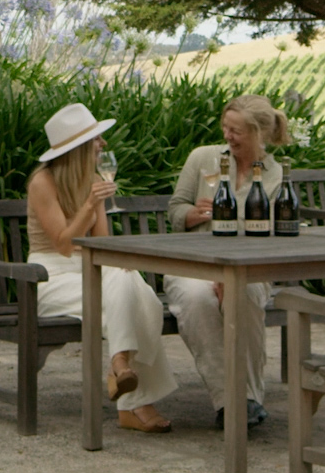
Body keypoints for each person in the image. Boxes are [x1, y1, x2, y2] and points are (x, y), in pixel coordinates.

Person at [26, 103, 178, 433]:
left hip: (91, 270)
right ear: (79, 148)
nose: (104, 145)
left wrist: (119, 264)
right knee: (138, 299)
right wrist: (91, 203)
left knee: (129, 282)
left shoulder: (92, 179)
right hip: (50, 277)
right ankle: (133, 397)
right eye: (97, 139)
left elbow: (103, 247)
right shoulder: (42, 182)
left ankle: (120, 366)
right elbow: (64, 245)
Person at [165, 94, 291, 429]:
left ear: (258, 135)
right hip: (193, 263)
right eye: (225, 127)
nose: (228, 136)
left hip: (248, 265)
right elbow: (175, 209)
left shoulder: (273, 174)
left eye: (236, 131)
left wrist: (233, 272)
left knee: (244, 294)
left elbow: (271, 235)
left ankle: (246, 400)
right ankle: (233, 402)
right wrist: (191, 215)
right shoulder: (203, 158)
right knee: (197, 297)